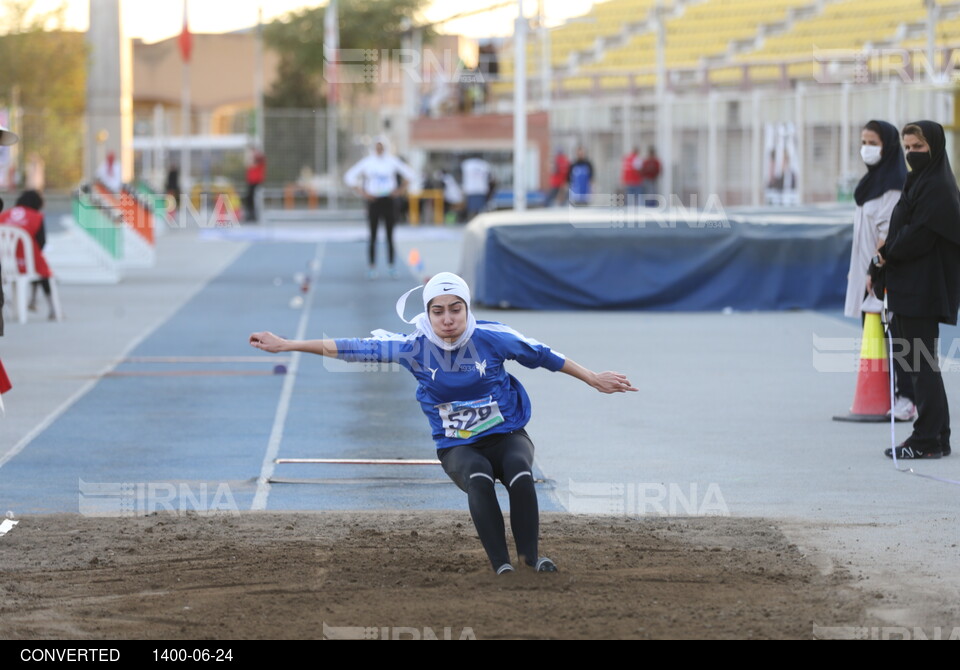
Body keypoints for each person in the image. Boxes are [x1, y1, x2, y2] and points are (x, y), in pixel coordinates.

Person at [249, 272, 637, 573]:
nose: (448, 319)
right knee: (480, 478)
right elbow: (350, 348)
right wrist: (287, 344)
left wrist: (593, 378)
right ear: (428, 313)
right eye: (438, 310)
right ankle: (501, 565)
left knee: (519, 470)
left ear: (467, 309)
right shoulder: (413, 347)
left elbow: (546, 355)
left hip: (507, 434)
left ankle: (531, 559)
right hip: (458, 447)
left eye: (456, 309)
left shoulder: (493, 338)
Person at [871, 121, 960, 460]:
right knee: (920, 365)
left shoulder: (937, 187)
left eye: (918, 148)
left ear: (934, 149)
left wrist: (886, 253)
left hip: (922, 291)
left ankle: (926, 440)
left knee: (921, 366)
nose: (911, 154)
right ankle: (938, 436)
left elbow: (919, 234)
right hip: (908, 287)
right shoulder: (918, 182)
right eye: (907, 148)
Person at [846, 120, 915, 421]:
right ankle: (884, 394)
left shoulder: (893, 185)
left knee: (897, 336)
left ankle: (907, 398)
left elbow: (889, 233)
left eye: (873, 142)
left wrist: (876, 269)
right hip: (866, 274)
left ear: (887, 147)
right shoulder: (870, 183)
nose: (867, 148)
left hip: (883, 274)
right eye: (863, 141)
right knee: (876, 336)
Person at [344, 138, 416, 279]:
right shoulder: (368, 162)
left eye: (382, 147)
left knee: (390, 235)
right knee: (373, 235)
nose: (379, 149)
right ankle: (372, 266)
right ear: (374, 148)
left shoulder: (392, 161)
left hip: (389, 201)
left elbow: (410, 174)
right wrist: (362, 192)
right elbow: (349, 177)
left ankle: (391, 266)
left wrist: (399, 190)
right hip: (374, 201)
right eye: (377, 147)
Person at [0, 190, 56, 320]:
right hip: (28, 262)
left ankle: (30, 301)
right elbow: (42, 243)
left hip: (5, 264)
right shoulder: (36, 216)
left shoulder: (4, 215)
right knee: (41, 267)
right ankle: (51, 307)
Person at [461, 154, 493, 220]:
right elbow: (490, 177)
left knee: (472, 208)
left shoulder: (467, 164)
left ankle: (473, 220)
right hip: (480, 189)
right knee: (480, 208)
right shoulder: (484, 165)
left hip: (471, 190)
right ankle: (477, 220)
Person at [244, 151, 266, 223]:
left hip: (256, 183)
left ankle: (253, 216)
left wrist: (250, 158)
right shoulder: (254, 161)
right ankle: (250, 215)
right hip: (251, 182)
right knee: (249, 199)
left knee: (253, 199)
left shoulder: (259, 159)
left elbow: (253, 164)